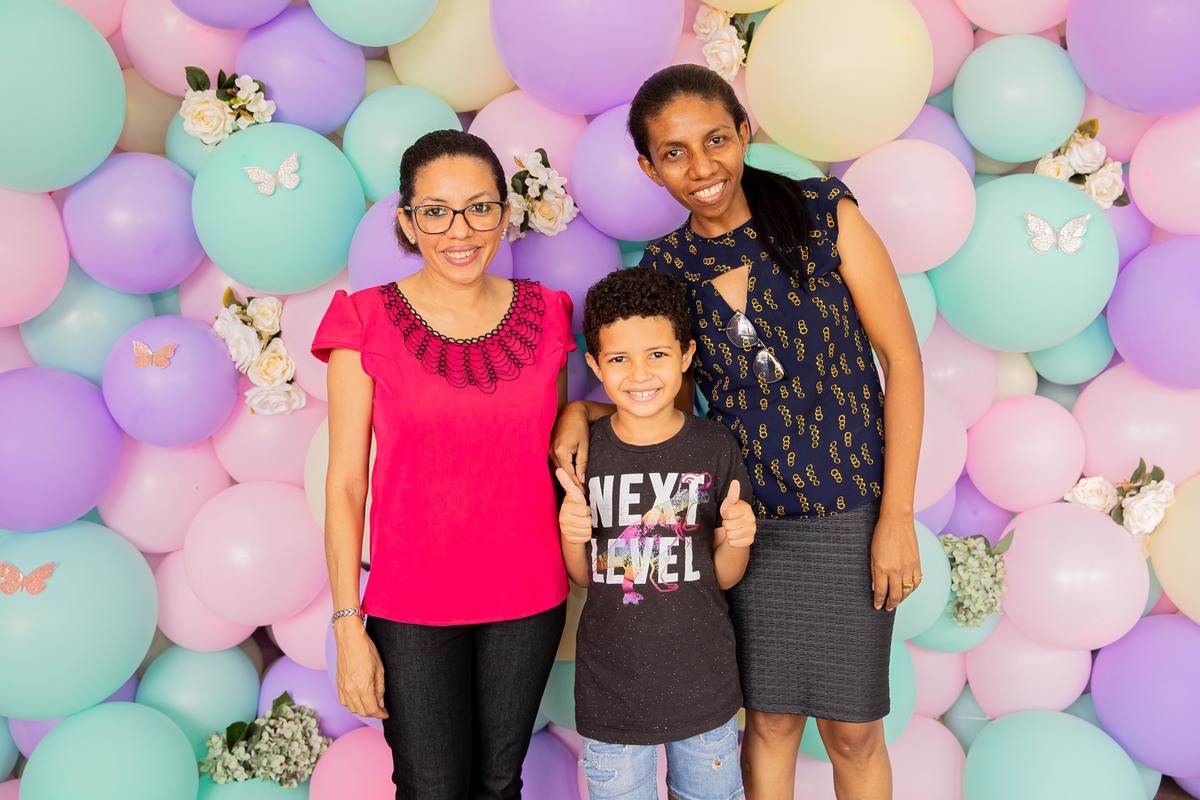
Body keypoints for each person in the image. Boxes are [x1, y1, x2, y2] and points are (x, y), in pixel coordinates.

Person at [551, 64, 924, 800]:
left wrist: (896, 516)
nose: (702, 167)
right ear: (649, 167)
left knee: (854, 732)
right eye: (675, 153)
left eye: (716, 140)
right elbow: (662, 400)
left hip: (852, 513)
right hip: (742, 524)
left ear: (744, 132)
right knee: (770, 723)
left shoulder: (823, 214)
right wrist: (578, 411)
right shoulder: (668, 268)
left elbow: (903, 361)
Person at [312, 129, 573, 800]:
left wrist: (587, 416)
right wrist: (347, 625)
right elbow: (345, 486)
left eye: (480, 208)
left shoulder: (548, 314)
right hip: (410, 605)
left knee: (498, 784)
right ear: (407, 221)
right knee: (431, 787)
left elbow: (546, 442)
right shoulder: (363, 320)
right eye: (436, 211)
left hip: (528, 594)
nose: (461, 230)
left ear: (504, 215)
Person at [556, 266, 757, 800]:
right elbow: (583, 577)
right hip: (612, 697)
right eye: (619, 359)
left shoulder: (715, 446)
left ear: (686, 356)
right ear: (595, 364)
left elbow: (723, 577)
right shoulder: (587, 452)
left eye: (658, 355)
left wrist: (737, 539)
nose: (640, 374)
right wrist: (571, 532)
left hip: (704, 689)